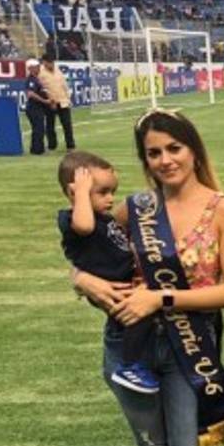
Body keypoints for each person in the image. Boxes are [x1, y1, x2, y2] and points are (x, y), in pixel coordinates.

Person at [69, 109, 224, 446]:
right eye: (154, 152)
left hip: (190, 352)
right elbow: (92, 257)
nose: (166, 160)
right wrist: (82, 279)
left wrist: (160, 296)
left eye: (174, 148)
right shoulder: (135, 209)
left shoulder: (223, 209)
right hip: (131, 350)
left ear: (193, 149)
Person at [57, 150, 158, 394]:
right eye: (102, 193)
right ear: (73, 192)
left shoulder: (103, 217)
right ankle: (130, 365)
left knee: (140, 315)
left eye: (112, 191)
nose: (110, 199)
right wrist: (81, 193)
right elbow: (84, 226)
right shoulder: (74, 218)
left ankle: (134, 362)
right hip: (110, 285)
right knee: (138, 316)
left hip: (123, 279)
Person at [39, 53, 76, 151]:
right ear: (44, 62)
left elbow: (64, 85)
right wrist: (50, 101)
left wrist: (68, 99)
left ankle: (70, 145)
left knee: (67, 124)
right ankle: (52, 145)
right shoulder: (40, 73)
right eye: (48, 63)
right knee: (50, 125)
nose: (50, 65)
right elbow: (42, 89)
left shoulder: (58, 70)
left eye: (52, 62)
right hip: (50, 102)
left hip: (63, 101)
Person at [23, 58, 50, 155]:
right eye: (37, 67)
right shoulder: (31, 80)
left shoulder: (36, 79)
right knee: (39, 128)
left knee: (38, 128)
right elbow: (30, 94)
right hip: (33, 107)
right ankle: (38, 149)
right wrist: (44, 101)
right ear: (30, 68)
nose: (39, 69)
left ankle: (36, 148)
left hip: (37, 107)